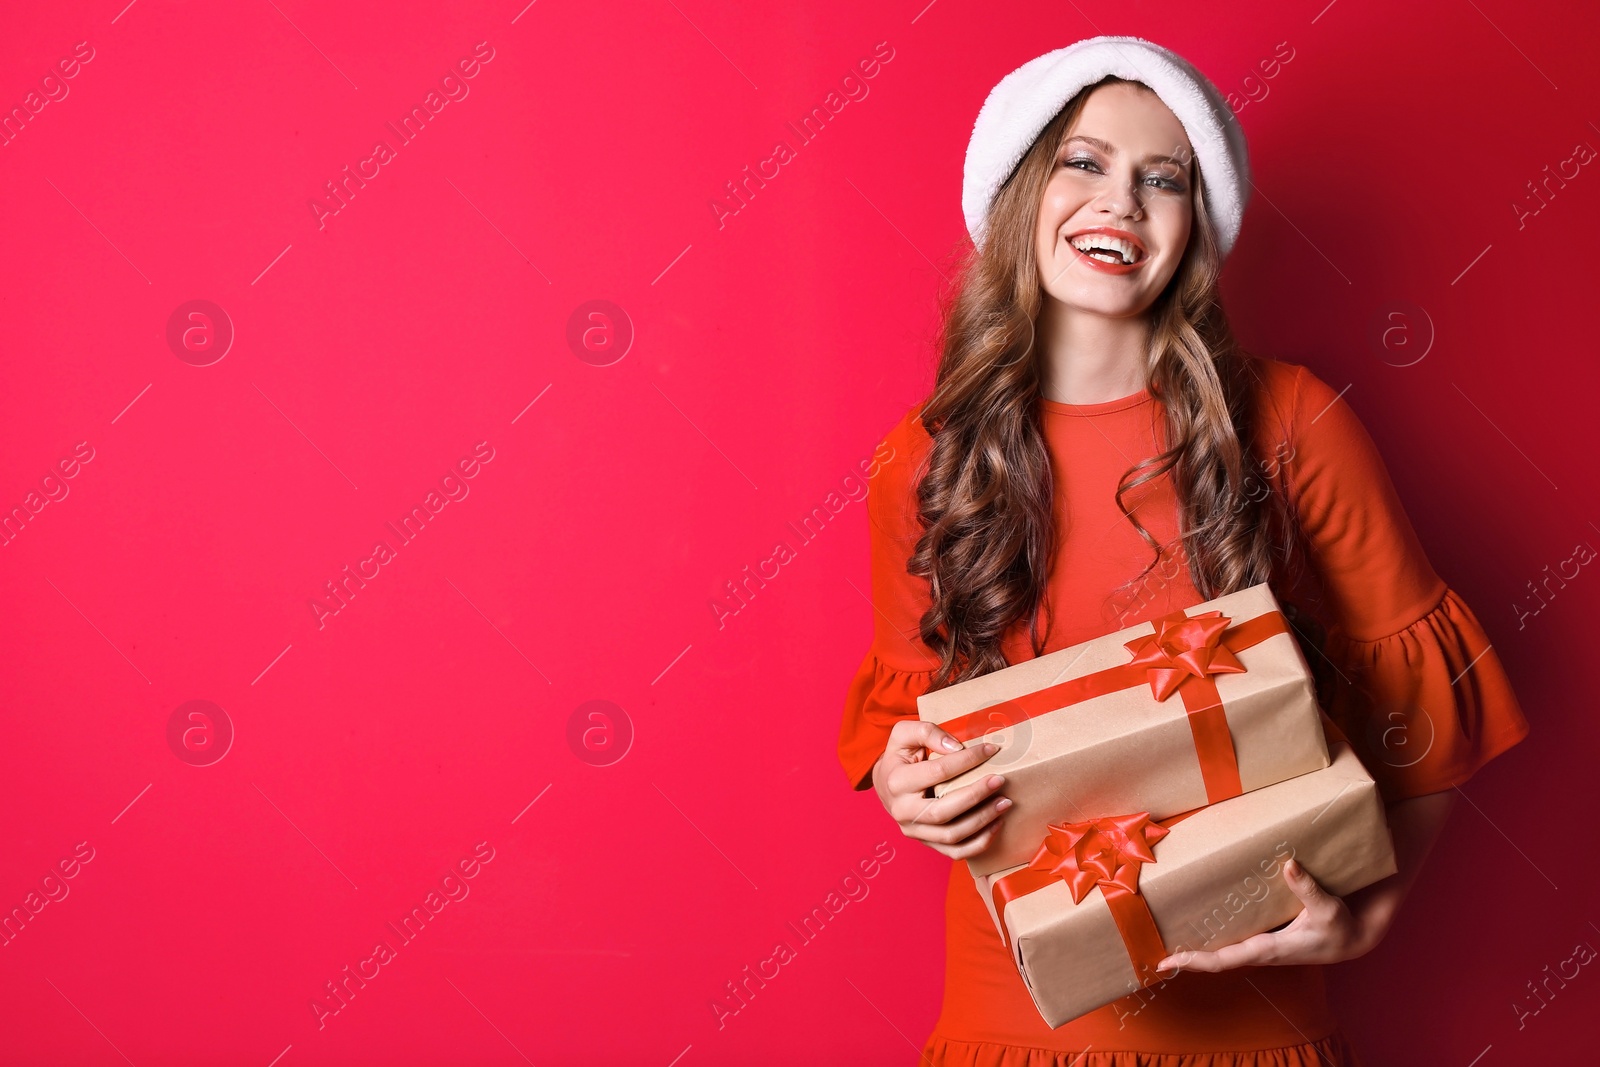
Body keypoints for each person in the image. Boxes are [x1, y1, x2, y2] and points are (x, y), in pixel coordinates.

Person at [837, 35, 1529, 1066]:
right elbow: (906, 713)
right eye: (1084, 160)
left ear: (1194, 229)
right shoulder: (923, 460)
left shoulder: (1292, 420)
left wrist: (1369, 912)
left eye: (1162, 178)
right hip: (1010, 1016)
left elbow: (1429, 697)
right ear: (1022, 191)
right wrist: (907, 782)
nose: (1119, 200)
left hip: (1249, 1017)